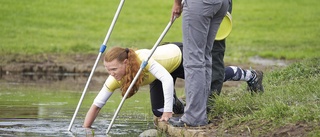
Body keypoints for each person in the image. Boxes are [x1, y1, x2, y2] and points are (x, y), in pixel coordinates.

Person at [82, 42, 264, 128]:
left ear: (126, 64)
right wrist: (85, 129)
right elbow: (97, 106)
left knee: (212, 78)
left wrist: (168, 113)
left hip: (180, 57)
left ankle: (251, 75)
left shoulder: (144, 59)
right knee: (158, 111)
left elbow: (167, 80)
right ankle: (180, 105)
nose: (111, 74)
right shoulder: (115, 78)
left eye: (113, 69)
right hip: (163, 72)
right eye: (108, 70)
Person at [170, 0, 231, 127]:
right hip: (222, 4)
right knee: (205, 56)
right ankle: (201, 112)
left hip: (200, 4)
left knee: (194, 60)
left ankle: (194, 116)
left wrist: (176, 3)